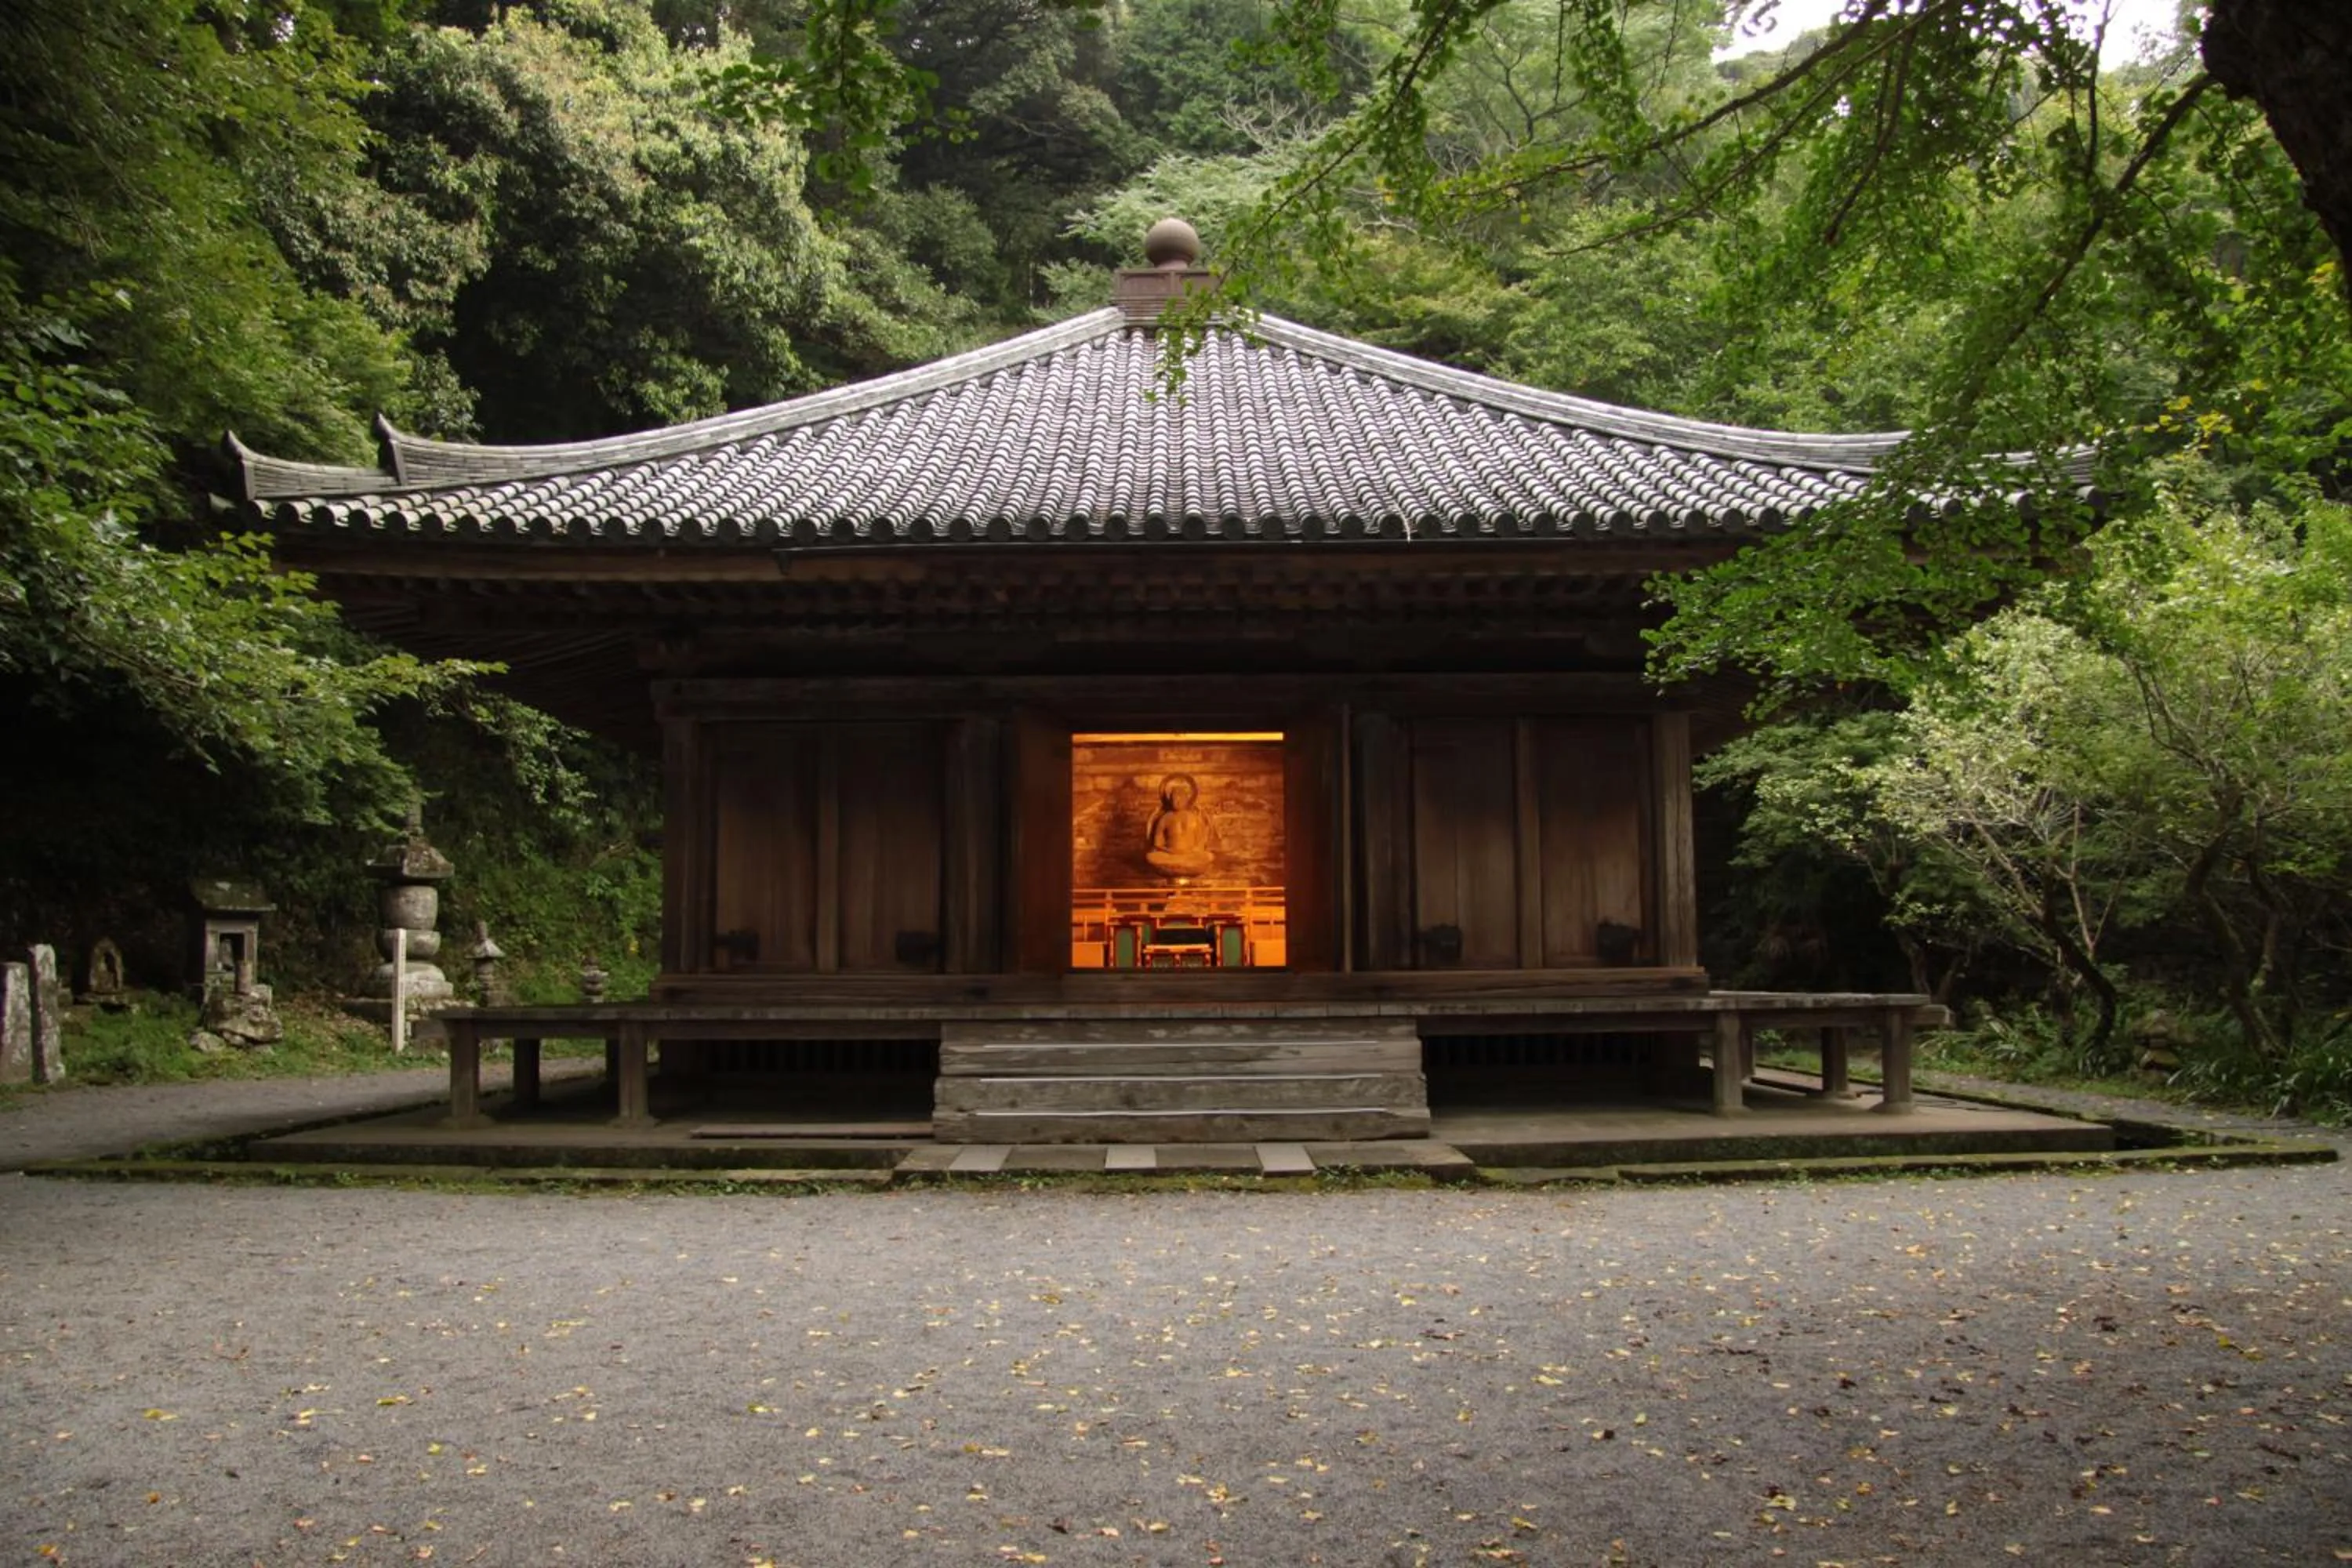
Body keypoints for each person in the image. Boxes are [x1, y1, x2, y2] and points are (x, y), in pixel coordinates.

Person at [1143, 774, 1216, 877]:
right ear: (1169, 800)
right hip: (1170, 856)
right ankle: (1180, 864)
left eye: (1180, 798)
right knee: (1152, 857)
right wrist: (1170, 851)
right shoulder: (1166, 818)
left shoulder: (1195, 818)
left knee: (1208, 856)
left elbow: (1202, 841)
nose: (1176, 802)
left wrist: (1193, 851)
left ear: (1187, 800)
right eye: (1174, 798)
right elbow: (1157, 844)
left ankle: (1183, 864)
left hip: (1190, 856)